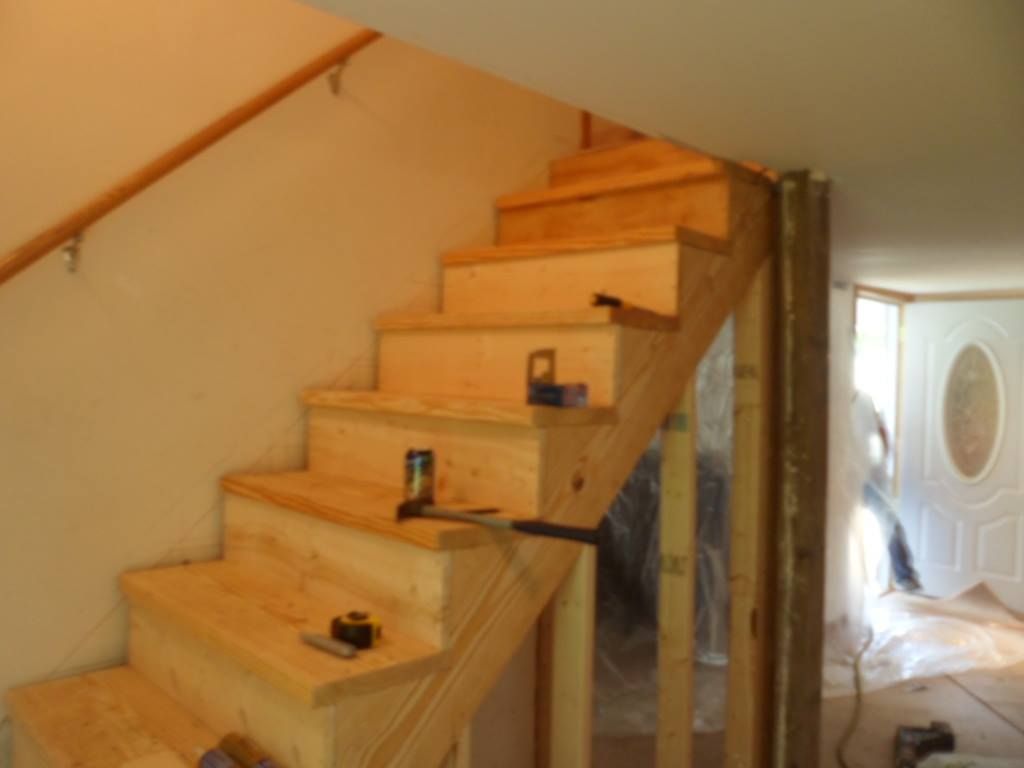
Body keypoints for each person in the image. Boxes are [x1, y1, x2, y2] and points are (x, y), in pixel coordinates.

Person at [851, 390, 923, 592]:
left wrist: (881, 462)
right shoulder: (836, 404)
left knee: (889, 521)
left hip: (872, 476)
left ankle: (905, 577)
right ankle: (857, 581)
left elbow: (882, 434)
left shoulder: (865, 401)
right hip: (849, 475)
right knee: (846, 529)